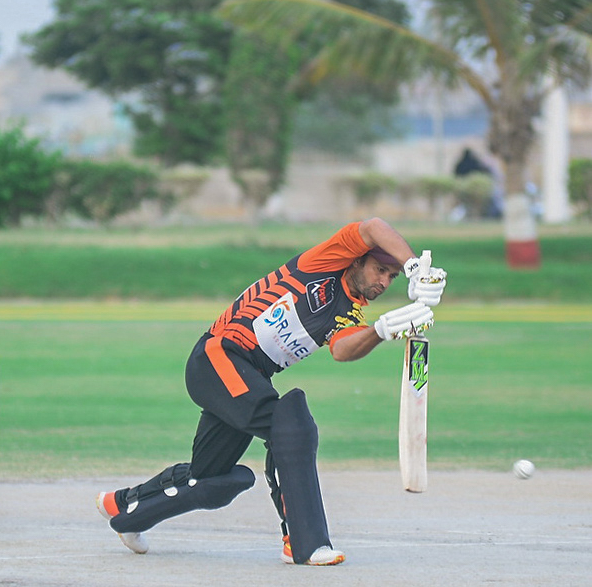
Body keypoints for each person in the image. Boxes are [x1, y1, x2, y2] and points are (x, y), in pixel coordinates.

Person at [95, 217, 447, 566]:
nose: (384, 281)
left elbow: (342, 350)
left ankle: (124, 508)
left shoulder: (349, 314)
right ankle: (302, 542)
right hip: (219, 356)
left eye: (392, 276)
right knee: (291, 424)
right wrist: (414, 267)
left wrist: (382, 330)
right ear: (357, 260)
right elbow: (373, 227)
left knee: (212, 482)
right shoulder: (323, 263)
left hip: (249, 378)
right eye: (380, 270)